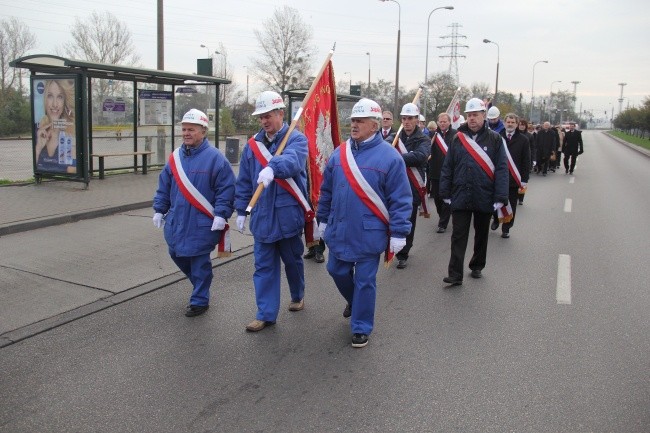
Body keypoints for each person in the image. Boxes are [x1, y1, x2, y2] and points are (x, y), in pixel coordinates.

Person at [317, 98, 412, 348]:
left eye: (360, 121)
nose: (354, 125)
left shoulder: (391, 158)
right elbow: (326, 191)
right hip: (339, 228)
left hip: (370, 231)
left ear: (375, 125)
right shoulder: (340, 154)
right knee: (335, 270)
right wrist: (322, 219)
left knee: (366, 281)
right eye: (353, 121)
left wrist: (399, 233)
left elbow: (401, 199)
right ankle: (354, 301)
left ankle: (360, 326)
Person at [235, 91, 309, 332]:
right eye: (261, 117)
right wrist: (241, 210)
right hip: (263, 217)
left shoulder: (296, 139)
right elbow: (245, 181)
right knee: (264, 267)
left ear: (280, 113)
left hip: (288, 216)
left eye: (268, 116)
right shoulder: (252, 146)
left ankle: (297, 295)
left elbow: (293, 162)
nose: (264, 121)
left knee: (292, 261)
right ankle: (265, 314)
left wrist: (273, 167)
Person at [153, 109, 236, 317]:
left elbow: (226, 189)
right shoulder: (175, 158)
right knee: (175, 253)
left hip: (202, 222)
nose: (186, 133)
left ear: (203, 131)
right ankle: (201, 285)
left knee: (199, 261)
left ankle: (200, 300)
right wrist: (159, 209)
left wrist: (221, 213)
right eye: (184, 129)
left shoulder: (216, 158)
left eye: (191, 129)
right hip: (177, 221)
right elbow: (164, 186)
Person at [439, 98, 508, 285]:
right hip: (461, 193)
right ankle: (455, 274)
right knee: (458, 236)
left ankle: (477, 265)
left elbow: (502, 168)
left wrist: (500, 197)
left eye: (475, 115)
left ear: (484, 116)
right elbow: (448, 167)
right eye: (469, 115)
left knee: (481, 234)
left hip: (484, 194)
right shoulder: (457, 139)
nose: (472, 119)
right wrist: (445, 192)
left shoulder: (495, 139)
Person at [393, 103, 430, 269]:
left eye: (410, 118)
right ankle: (393, 244)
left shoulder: (424, 139)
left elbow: (420, 156)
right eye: (404, 118)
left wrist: (396, 157)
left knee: (408, 220)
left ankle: (404, 252)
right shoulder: (396, 137)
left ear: (417, 120)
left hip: (412, 185)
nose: (406, 121)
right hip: (394, 184)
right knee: (393, 216)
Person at [490, 113, 530, 238]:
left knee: (511, 204)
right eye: (508, 122)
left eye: (513, 122)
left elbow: (526, 160)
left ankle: (506, 228)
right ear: (504, 123)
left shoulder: (523, 140)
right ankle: (496, 219)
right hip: (497, 177)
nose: (510, 124)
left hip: (513, 178)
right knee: (496, 201)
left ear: (517, 124)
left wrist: (524, 179)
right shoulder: (497, 137)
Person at [35, 79, 77, 174]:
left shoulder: (71, 133)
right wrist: (38, 148)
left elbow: (73, 171)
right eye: (50, 96)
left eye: (60, 97)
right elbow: (35, 168)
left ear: (65, 101)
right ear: (45, 99)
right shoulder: (38, 132)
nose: (54, 104)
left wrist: (73, 151)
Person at [429, 112, 457, 233]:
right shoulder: (433, 135)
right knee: (437, 198)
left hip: (449, 172)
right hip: (435, 171)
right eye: (440, 121)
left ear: (449, 122)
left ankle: (443, 223)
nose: (442, 123)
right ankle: (443, 216)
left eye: (445, 121)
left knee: (447, 197)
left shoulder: (456, 135)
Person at [517, 119, 535, 205]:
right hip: (516, 161)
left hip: (525, 160)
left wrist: (533, 160)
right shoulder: (515, 135)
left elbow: (532, 149)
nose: (521, 126)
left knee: (523, 180)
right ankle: (516, 195)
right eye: (520, 124)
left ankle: (521, 198)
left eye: (523, 125)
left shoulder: (529, 136)